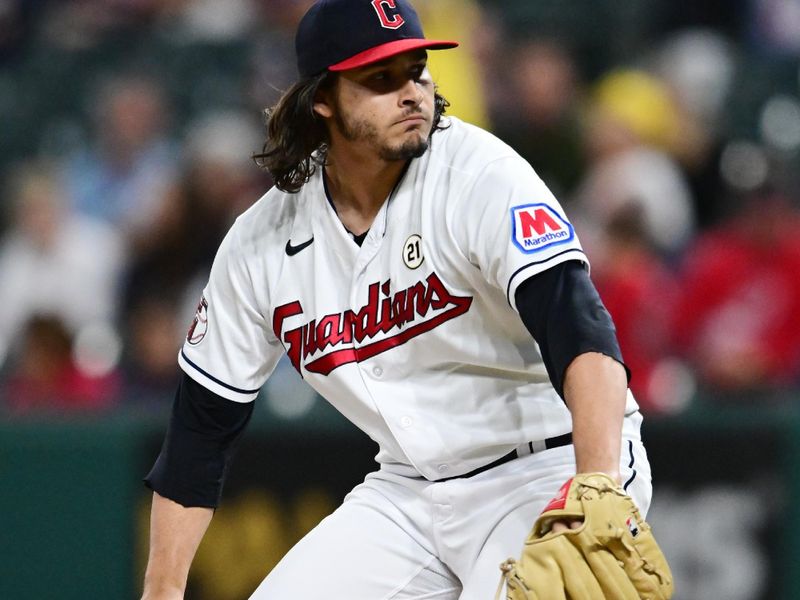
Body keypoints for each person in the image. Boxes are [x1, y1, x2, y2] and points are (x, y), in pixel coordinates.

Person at [141, 1, 655, 598]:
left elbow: (582, 332)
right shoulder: (260, 244)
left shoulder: (479, 174)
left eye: (417, 70)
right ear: (322, 100)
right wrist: (162, 590)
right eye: (381, 79)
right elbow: (200, 432)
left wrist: (596, 484)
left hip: (548, 466)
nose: (411, 92)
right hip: (411, 488)